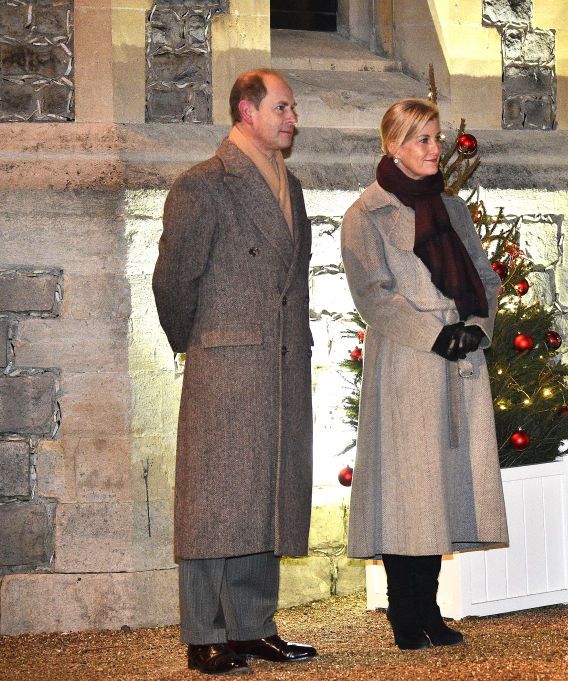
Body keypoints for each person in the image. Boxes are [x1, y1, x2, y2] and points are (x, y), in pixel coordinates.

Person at [152, 69, 318, 674]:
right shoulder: (204, 184)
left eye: (293, 108)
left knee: (266, 495)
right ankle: (204, 633)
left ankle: (252, 627)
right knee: (214, 501)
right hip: (227, 363)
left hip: (280, 364)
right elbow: (173, 280)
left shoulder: (291, 186)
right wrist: (200, 343)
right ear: (247, 111)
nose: (292, 118)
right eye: (282, 107)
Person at [341, 98, 509, 649]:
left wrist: (478, 325)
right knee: (407, 488)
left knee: (441, 485)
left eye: (437, 138)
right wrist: (435, 334)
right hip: (409, 364)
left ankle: (430, 610)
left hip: (459, 361)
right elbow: (374, 295)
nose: (436, 148)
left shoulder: (452, 209)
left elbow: (485, 276)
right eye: (423, 140)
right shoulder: (366, 214)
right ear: (394, 145)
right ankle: (403, 612)